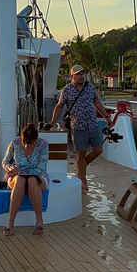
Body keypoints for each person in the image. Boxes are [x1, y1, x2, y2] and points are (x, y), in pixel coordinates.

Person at [49, 64, 109, 195]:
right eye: (78, 74)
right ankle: (83, 180)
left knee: (98, 150)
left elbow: (97, 103)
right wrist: (52, 122)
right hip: (78, 127)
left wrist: (106, 116)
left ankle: (81, 168)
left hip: (93, 124)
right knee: (80, 154)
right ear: (72, 76)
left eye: (82, 74)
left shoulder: (90, 87)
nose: (81, 76)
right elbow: (59, 106)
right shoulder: (67, 90)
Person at [2, 123, 48, 236]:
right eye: (24, 142)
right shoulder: (14, 143)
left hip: (38, 177)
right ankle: (10, 223)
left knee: (31, 180)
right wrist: (10, 168)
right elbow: (5, 162)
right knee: (20, 180)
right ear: (21, 138)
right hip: (17, 177)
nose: (27, 146)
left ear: (36, 140)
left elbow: (41, 168)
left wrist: (20, 171)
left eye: (30, 143)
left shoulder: (43, 145)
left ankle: (39, 221)